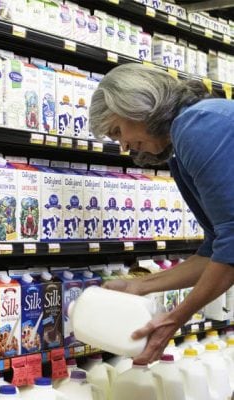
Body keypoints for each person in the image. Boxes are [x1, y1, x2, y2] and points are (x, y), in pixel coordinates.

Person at [89, 63, 234, 364]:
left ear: (139, 104)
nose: (125, 145)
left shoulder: (198, 127)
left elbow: (232, 244)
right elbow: (213, 250)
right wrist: (138, 285)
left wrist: (174, 318)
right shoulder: (181, 145)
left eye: (118, 131)